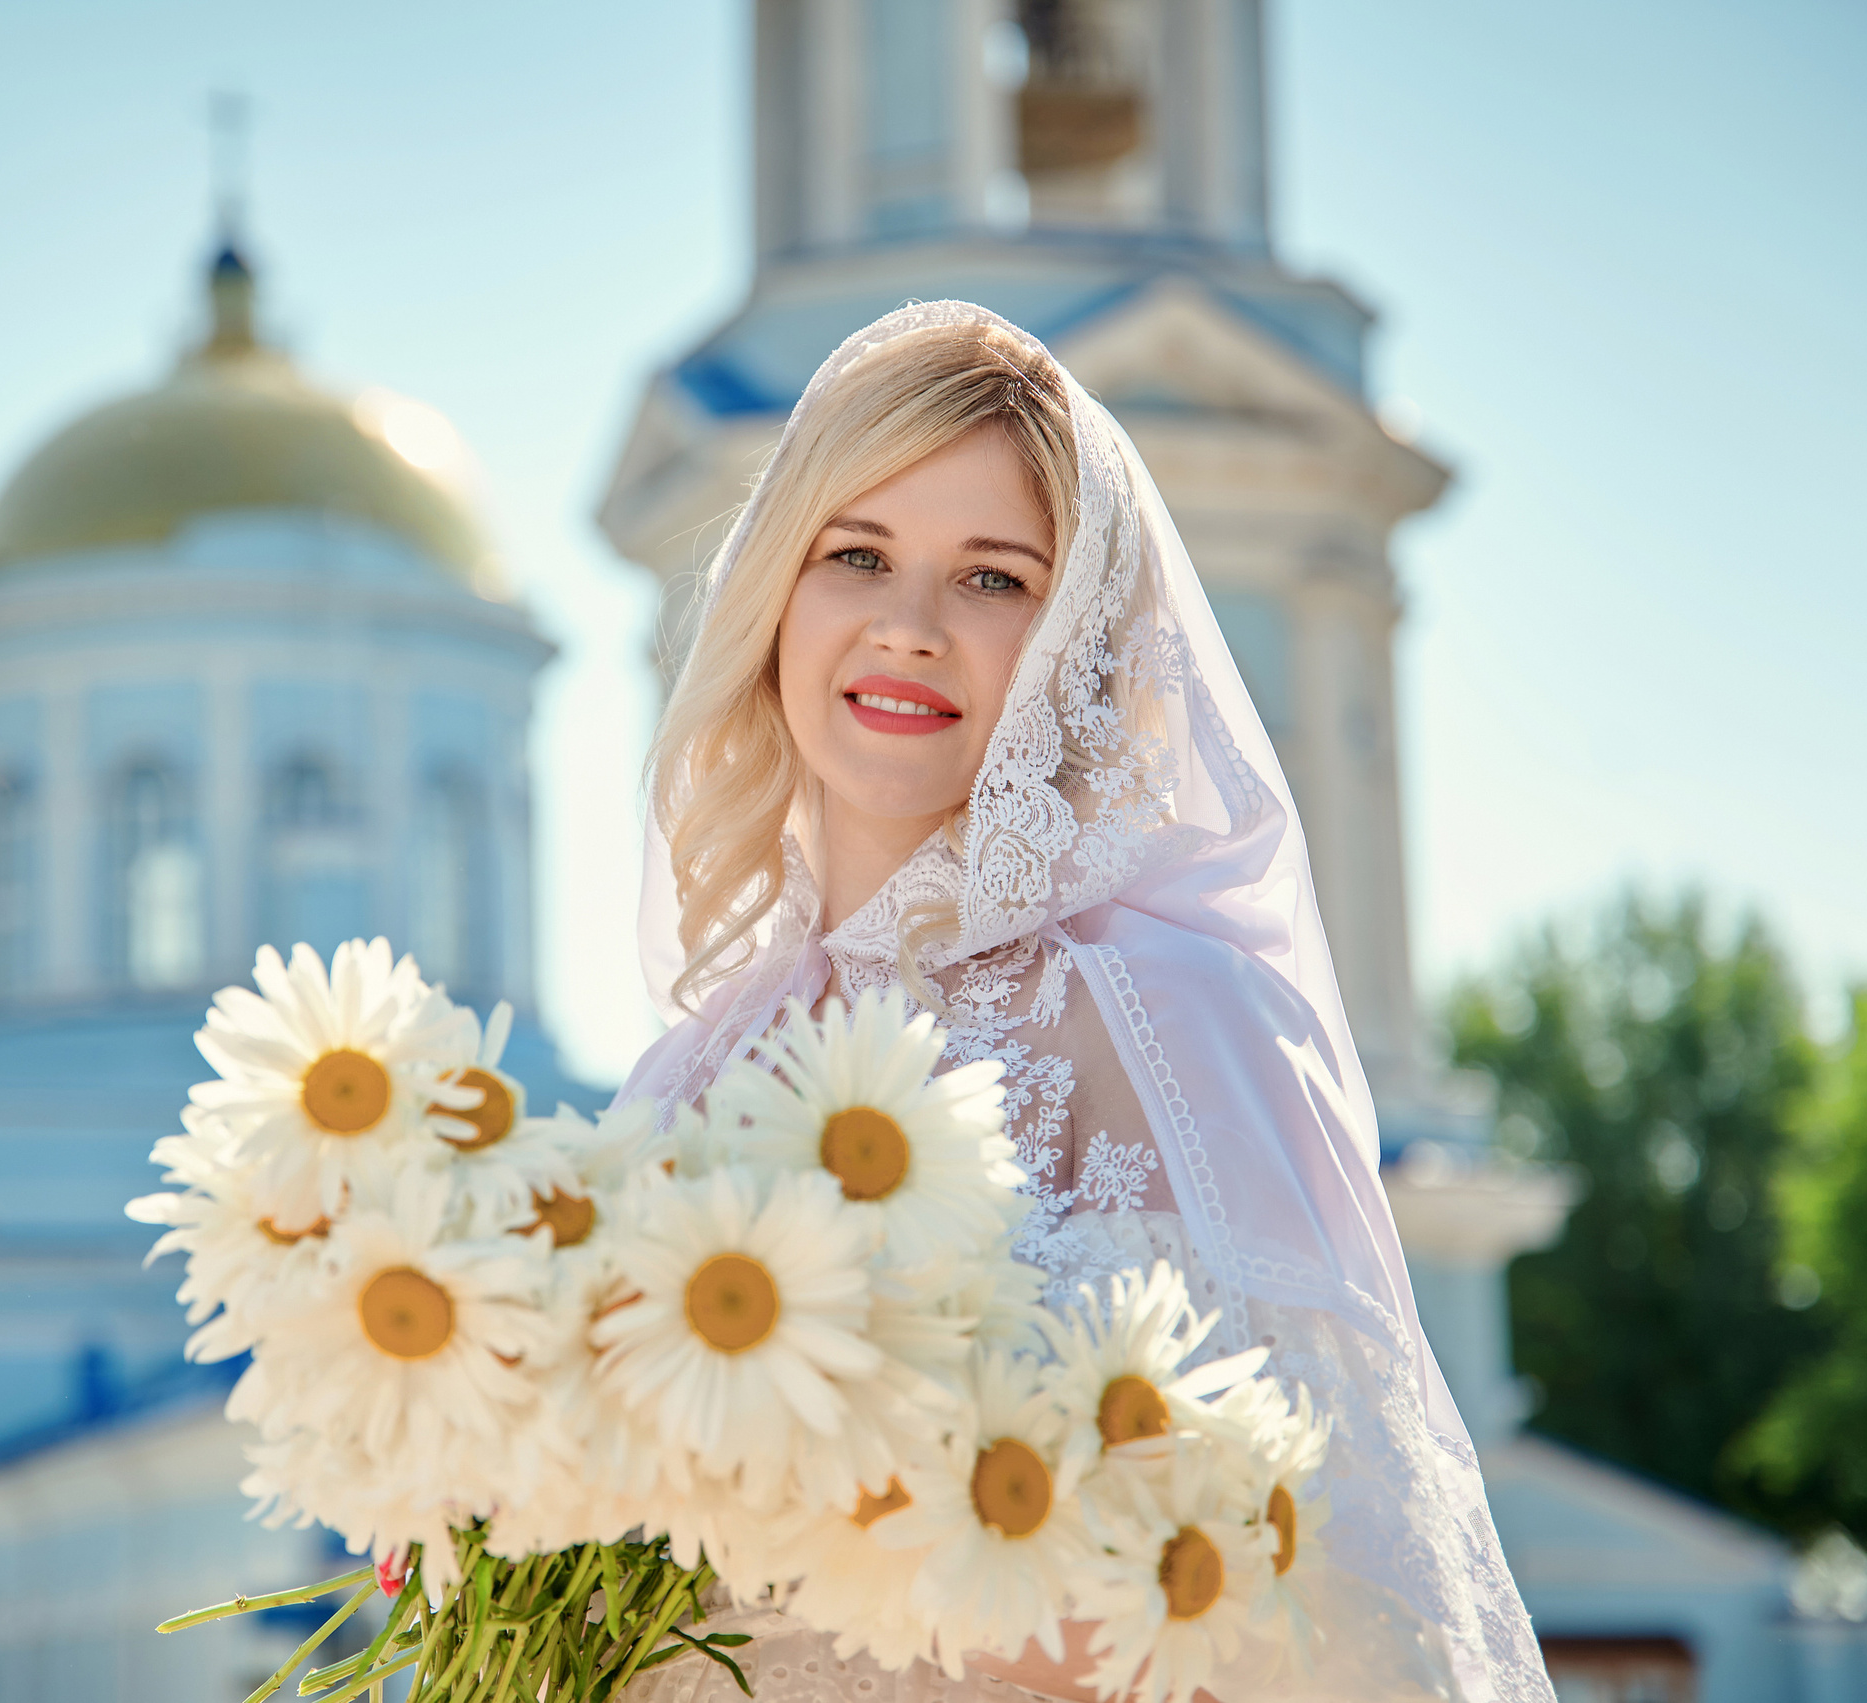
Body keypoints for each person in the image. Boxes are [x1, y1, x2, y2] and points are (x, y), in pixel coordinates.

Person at [609, 303, 1552, 1703]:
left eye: (993, 580)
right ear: (774, 599)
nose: (910, 627)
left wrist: (819, 1511)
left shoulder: (1177, 1019)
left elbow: (1303, 1617)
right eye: (856, 556)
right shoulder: (688, 1078)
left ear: (1082, 643)